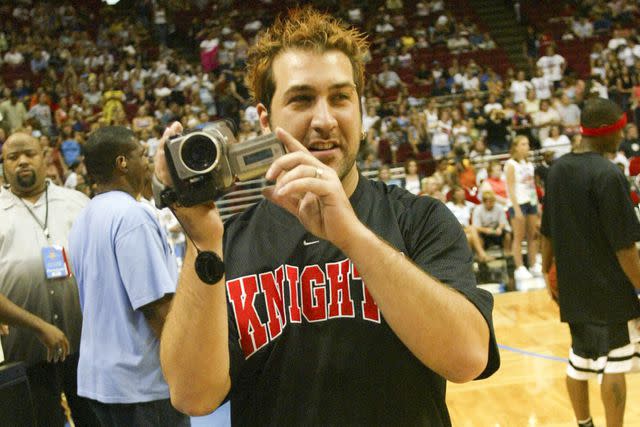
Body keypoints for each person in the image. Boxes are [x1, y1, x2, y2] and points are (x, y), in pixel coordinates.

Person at [157, 7, 499, 425]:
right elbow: (192, 396)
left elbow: (467, 358)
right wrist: (203, 240)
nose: (324, 120)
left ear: (361, 112)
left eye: (340, 98)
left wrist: (352, 235)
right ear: (265, 119)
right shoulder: (228, 243)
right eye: (301, 99)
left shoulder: (421, 220)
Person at [67, 126, 189, 426]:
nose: (145, 163)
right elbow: (155, 306)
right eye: (142, 155)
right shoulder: (132, 215)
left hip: (99, 382)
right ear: (122, 163)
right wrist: (188, 367)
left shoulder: (84, 217)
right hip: (141, 385)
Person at [541, 98, 640, 427]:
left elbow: (547, 232)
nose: (622, 137)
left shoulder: (556, 170)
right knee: (615, 363)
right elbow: (625, 248)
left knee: (579, 359)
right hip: (609, 287)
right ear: (604, 132)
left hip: (572, 285)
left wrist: (546, 272)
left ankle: (584, 423)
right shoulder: (608, 174)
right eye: (619, 130)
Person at [0, 132, 97, 426]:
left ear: (45, 156)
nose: (22, 162)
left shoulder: (78, 203)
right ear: (3, 165)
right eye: (12, 158)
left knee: (96, 421)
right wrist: (40, 326)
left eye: (29, 153)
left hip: (87, 347)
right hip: (28, 350)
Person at [505, 135, 540, 281]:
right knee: (519, 237)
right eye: (523, 144)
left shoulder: (529, 164)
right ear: (516, 147)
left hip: (530, 201)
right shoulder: (511, 164)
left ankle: (533, 264)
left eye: (527, 144)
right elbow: (510, 187)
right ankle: (519, 267)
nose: (527, 147)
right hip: (518, 203)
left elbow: (532, 185)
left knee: (533, 235)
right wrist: (516, 208)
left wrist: (537, 203)